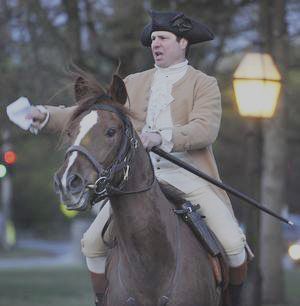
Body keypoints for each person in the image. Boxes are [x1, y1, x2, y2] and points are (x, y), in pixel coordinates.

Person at [26, 10, 248, 306]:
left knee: (234, 245)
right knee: (91, 244)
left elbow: (205, 129)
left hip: (189, 177)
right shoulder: (134, 81)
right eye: (153, 38)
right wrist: (45, 115)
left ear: (183, 42)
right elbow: (95, 116)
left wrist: (161, 137)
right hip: (137, 178)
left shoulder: (203, 83)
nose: (156, 44)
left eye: (163, 38)